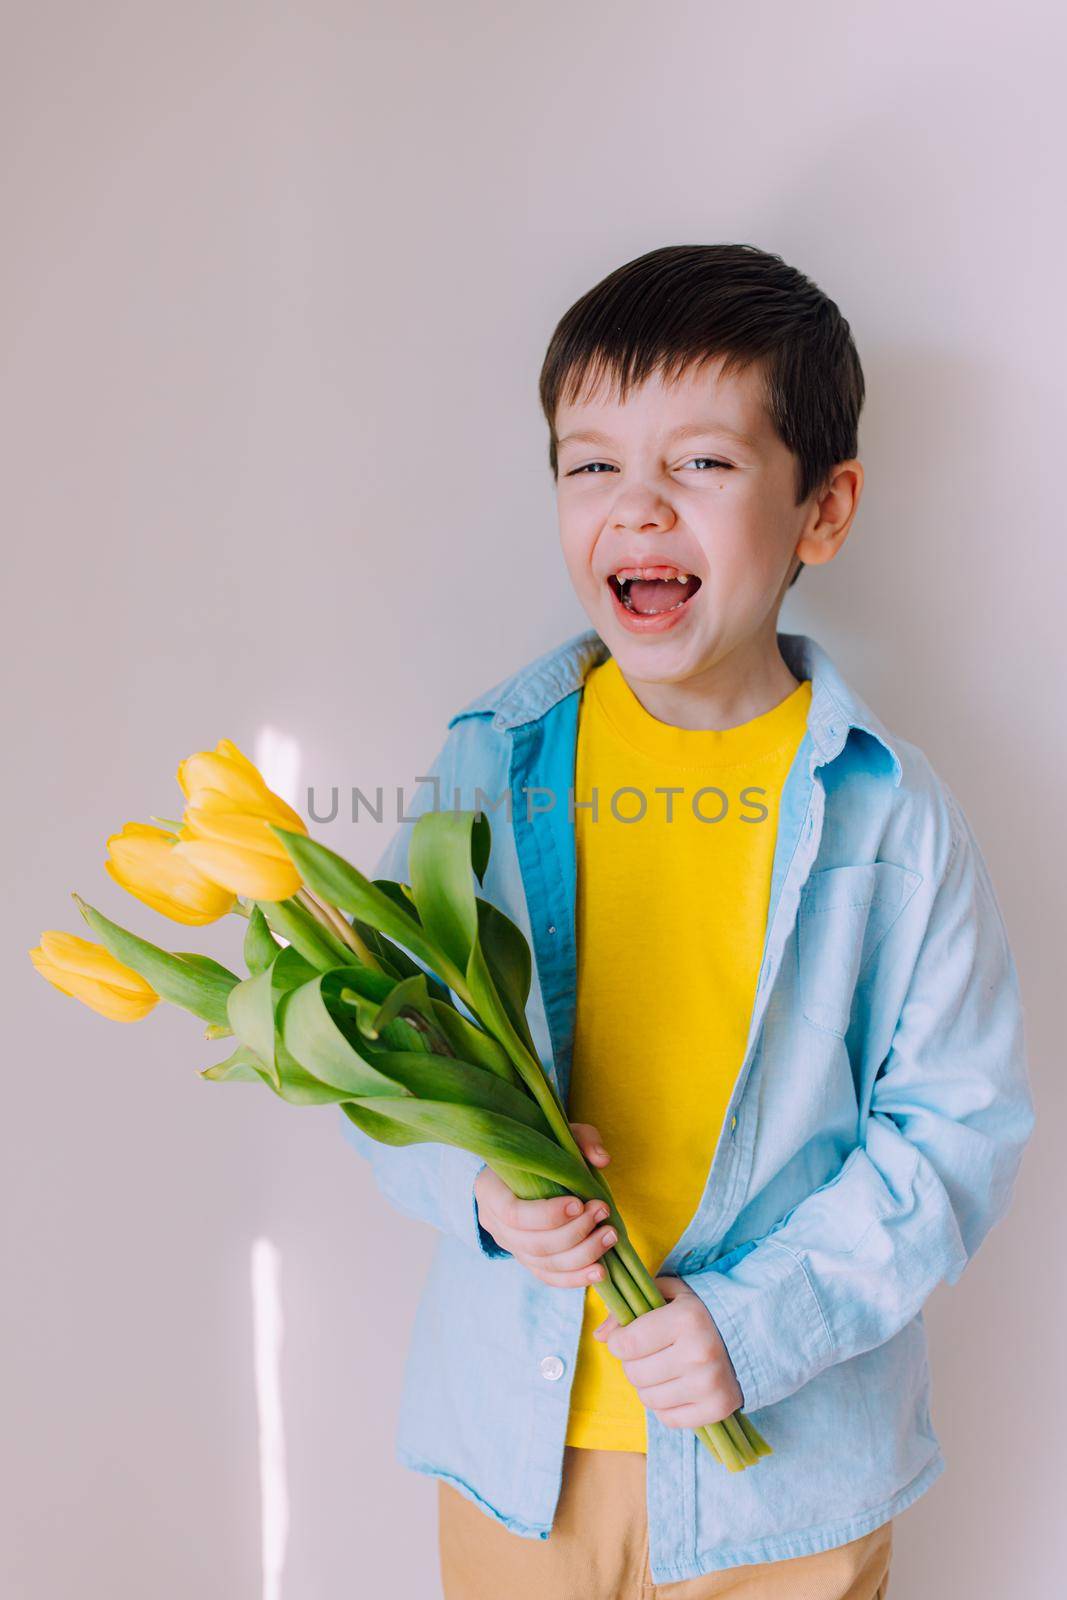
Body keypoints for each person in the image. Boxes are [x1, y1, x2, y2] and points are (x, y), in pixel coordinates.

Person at [342, 244, 1034, 1597]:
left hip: (786, 1481)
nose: (637, 508)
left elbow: (955, 1130)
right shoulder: (490, 767)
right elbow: (386, 1054)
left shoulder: (890, 814)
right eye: (591, 464)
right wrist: (481, 1189)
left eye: (702, 466)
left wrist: (755, 1325)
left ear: (821, 512)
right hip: (517, 1463)